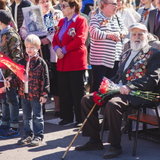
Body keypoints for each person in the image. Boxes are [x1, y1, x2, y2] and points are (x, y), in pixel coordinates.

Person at [75, 23, 160, 159]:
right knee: (87, 99)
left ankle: (115, 145)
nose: (137, 37)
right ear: (130, 36)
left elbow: (152, 79)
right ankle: (94, 140)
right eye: (134, 34)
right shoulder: (127, 52)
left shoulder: (153, 53)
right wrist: (108, 85)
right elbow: (118, 76)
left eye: (140, 34)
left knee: (113, 104)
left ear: (147, 35)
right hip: (118, 90)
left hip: (138, 93)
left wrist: (129, 87)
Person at [9, 34, 50, 146]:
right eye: (27, 47)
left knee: (37, 116)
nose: (29, 49)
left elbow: (45, 79)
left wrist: (44, 94)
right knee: (26, 117)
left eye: (32, 47)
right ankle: (28, 135)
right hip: (24, 94)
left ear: (38, 48)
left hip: (36, 94)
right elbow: (16, 77)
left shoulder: (41, 63)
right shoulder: (22, 62)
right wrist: (10, 81)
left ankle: (38, 136)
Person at [52, 0, 88, 126]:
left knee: (77, 91)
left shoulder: (81, 20)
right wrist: (57, 49)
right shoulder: (62, 21)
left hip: (75, 62)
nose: (62, 8)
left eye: (64, 6)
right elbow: (55, 39)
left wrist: (64, 50)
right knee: (64, 90)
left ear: (73, 8)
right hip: (62, 62)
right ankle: (66, 117)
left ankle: (80, 119)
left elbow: (80, 39)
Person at [89, 0, 128, 92]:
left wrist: (119, 34)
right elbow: (94, 33)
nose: (116, 6)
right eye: (114, 4)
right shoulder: (96, 18)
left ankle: (107, 106)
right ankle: (92, 106)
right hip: (100, 61)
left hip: (115, 59)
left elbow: (125, 30)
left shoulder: (117, 18)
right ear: (104, 5)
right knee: (98, 87)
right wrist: (109, 35)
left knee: (111, 87)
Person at [0, 10, 23, 138]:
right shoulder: (2, 33)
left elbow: (17, 57)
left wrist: (12, 75)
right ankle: (5, 123)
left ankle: (14, 126)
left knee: (11, 99)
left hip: (9, 74)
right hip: (2, 73)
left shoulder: (12, 35)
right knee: (4, 99)